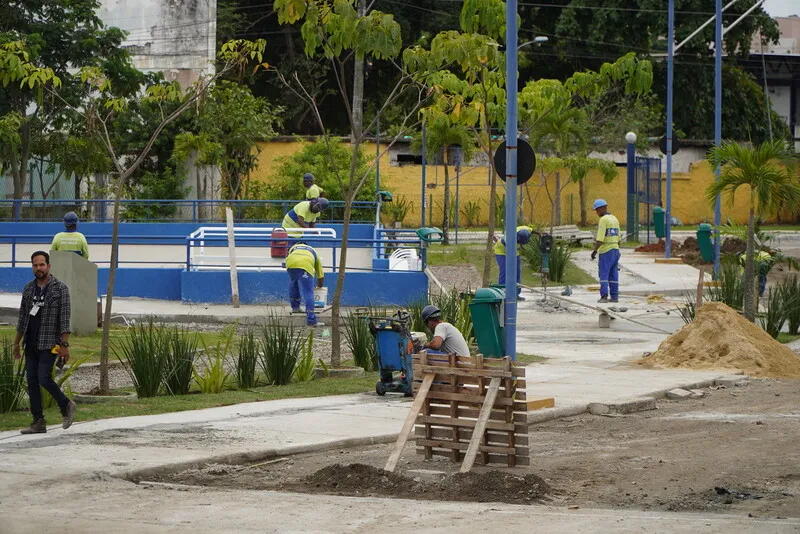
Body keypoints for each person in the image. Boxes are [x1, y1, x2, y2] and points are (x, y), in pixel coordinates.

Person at [13, 251, 77, 434]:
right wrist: (17, 343)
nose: (38, 268)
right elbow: (23, 319)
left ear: (48, 266)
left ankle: (66, 405)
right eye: (35, 265)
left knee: (43, 377)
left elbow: (64, 319)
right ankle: (38, 421)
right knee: (31, 380)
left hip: (50, 342)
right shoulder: (28, 289)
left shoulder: (60, 289)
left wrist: (64, 346)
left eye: (41, 265)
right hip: (31, 342)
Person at [285, 243, 324, 326]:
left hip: (290, 262)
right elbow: (320, 275)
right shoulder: (313, 251)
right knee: (308, 292)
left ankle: (295, 307)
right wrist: (319, 287)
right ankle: (311, 319)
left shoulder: (294, 247)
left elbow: (289, 254)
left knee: (293, 282)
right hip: (305, 265)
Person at [590, 199, 621, 303]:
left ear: (603, 208)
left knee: (603, 274)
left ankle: (604, 296)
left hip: (606, 251)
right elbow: (618, 237)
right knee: (613, 274)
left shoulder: (603, 220)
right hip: (615, 250)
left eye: (597, 210)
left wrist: (594, 251)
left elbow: (599, 239)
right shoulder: (614, 219)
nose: (597, 212)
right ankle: (614, 297)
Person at [494, 226, 533, 300]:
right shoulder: (509, 238)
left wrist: (540, 234)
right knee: (504, 271)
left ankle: (516, 294)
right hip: (501, 252)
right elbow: (505, 244)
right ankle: (503, 293)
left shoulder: (526, 229)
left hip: (515, 253)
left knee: (517, 272)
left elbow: (532, 230)